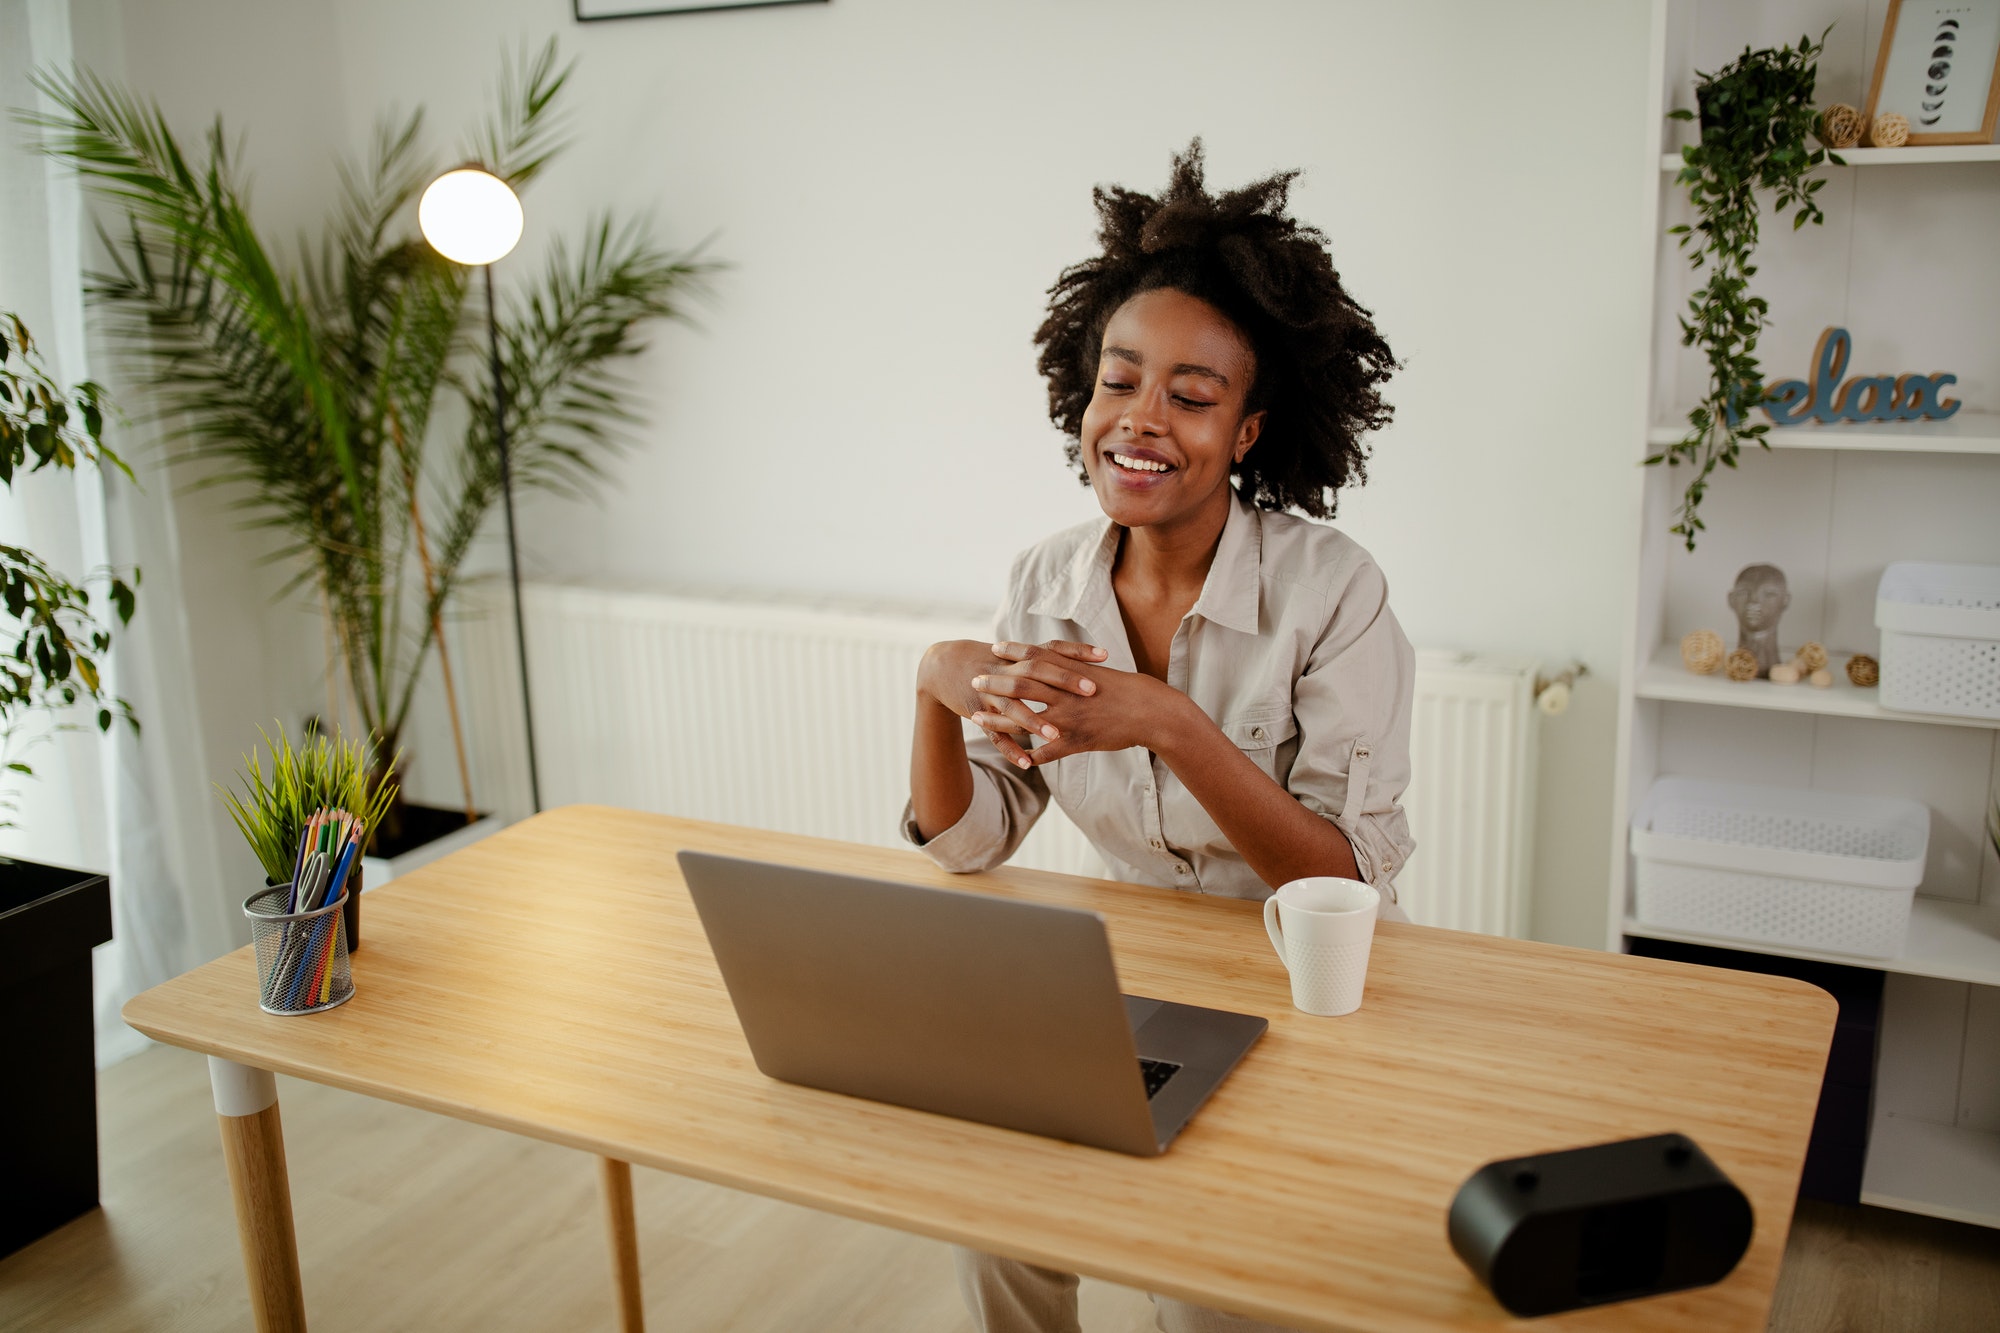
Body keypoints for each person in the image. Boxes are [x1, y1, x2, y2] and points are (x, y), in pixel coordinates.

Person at [902, 141, 1416, 1333]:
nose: (1139, 422)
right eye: (1117, 382)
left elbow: (1342, 882)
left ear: (1245, 432)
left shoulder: (1332, 591)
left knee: (1199, 1295)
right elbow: (970, 841)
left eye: (1190, 398)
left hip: (1304, 993)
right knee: (1001, 1230)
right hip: (1132, 989)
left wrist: (1171, 723)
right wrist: (933, 688)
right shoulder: (1044, 580)